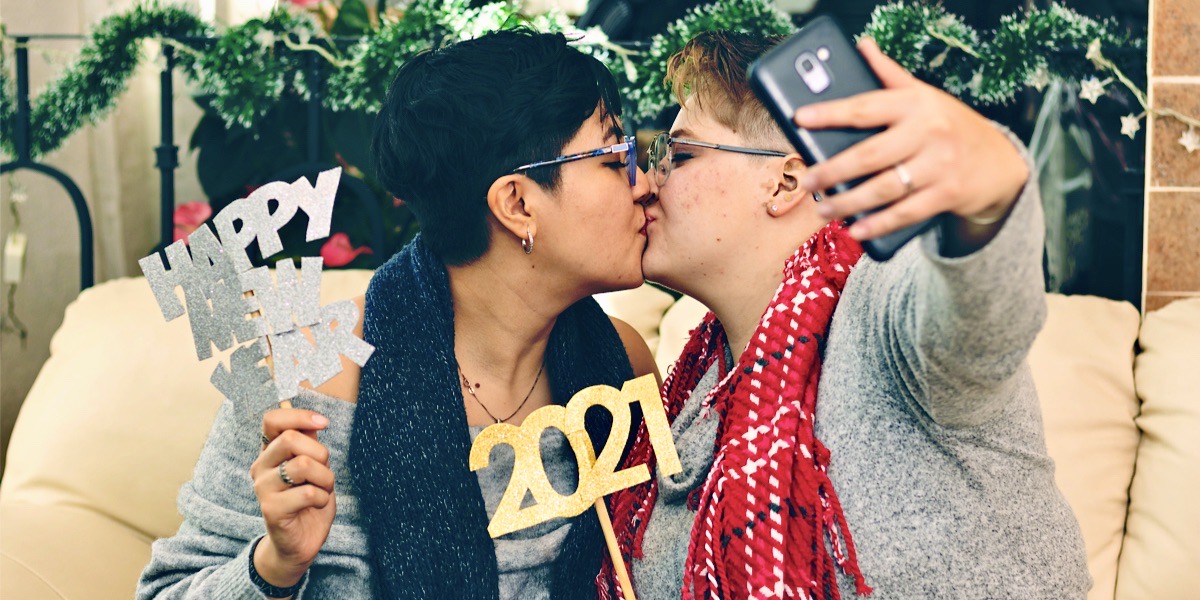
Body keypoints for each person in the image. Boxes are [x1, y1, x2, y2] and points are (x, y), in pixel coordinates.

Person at [137, 29, 659, 600]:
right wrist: (275, 565)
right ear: (517, 203)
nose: (646, 183)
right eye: (614, 158)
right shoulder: (309, 382)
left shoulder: (622, 365)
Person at [603, 30, 1091, 599]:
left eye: (679, 155)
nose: (645, 181)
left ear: (784, 182)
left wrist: (987, 191)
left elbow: (982, 316)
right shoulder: (696, 385)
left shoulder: (884, 305)